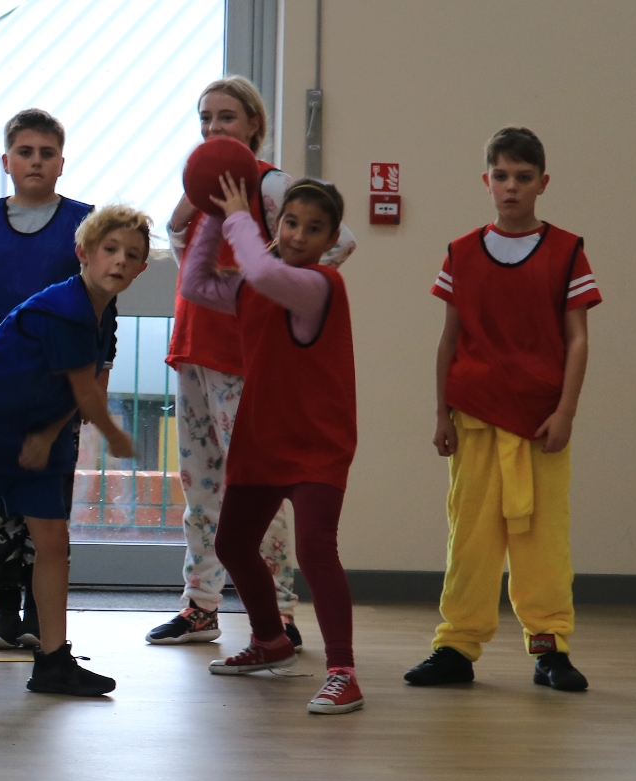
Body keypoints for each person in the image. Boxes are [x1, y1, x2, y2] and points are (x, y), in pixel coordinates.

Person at [152, 77, 356, 648]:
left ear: (254, 126)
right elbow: (180, 248)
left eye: (226, 117)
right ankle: (201, 606)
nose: (214, 128)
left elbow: (340, 242)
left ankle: (281, 612)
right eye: (205, 118)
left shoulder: (272, 187)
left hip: (245, 361)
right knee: (201, 492)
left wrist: (267, 279)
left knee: (258, 494)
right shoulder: (201, 185)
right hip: (195, 348)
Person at [0, 206, 152, 697]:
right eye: (110, 249)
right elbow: (87, 395)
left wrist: (47, 437)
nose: (119, 261)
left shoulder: (98, 313)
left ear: (142, 269)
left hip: (34, 434)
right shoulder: (64, 308)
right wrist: (115, 435)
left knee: (52, 540)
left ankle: (52, 660)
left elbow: (72, 389)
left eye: (132, 255)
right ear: (82, 254)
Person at [405, 127, 600, 692]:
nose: (511, 186)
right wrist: (441, 413)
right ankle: (456, 648)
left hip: (540, 423)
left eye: (522, 177)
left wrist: (566, 411)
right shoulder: (461, 252)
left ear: (542, 183)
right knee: (470, 538)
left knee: (542, 542)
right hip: (474, 416)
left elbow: (579, 339)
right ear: (486, 181)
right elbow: (448, 340)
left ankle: (550, 649)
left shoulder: (566, 250)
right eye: (501, 176)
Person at [179, 174, 362, 714]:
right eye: (290, 222)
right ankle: (270, 641)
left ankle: (343, 672)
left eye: (314, 228)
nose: (299, 235)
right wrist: (213, 213)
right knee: (233, 545)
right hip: (263, 438)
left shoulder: (322, 284)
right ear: (277, 225)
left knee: (315, 550)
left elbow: (259, 267)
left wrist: (237, 214)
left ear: (331, 241)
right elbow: (193, 283)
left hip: (317, 443)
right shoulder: (251, 287)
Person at [0, 108, 96, 651]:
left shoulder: (83, 224)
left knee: (44, 508)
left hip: (52, 394)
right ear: (6, 161)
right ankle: (3, 610)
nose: (35, 161)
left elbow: (101, 314)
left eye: (46, 153)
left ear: (61, 163)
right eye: (25, 152)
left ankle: (37, 612)